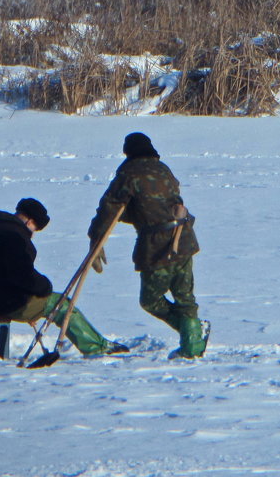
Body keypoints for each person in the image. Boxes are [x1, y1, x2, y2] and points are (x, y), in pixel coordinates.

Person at [0, 197, 128, 356]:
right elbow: (23, 276)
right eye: (35, 228)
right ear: (30, 221)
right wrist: (44, 288)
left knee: (42, 300)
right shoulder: (15, 237)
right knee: (60, 304)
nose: (33, 233)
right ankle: (97, 347)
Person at [88, 133, 207, 359]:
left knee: (150, 300)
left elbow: (109, 207)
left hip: (158, 245)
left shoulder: (128, 173)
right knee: (185, 298)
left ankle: (193, 335)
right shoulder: (163, 169)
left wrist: (96, 237)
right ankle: (192, 346)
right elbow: (155, 201)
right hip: (184, 238)